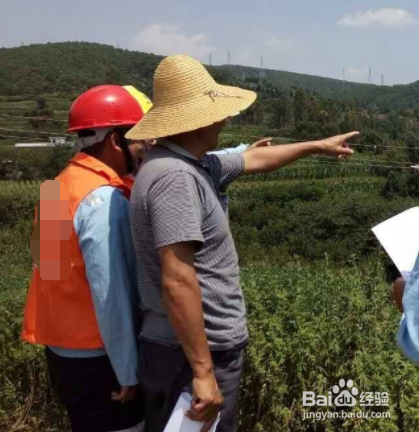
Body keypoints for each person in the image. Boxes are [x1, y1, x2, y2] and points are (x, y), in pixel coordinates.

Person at [126, 54, 358, 432]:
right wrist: (203, 372)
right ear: (200, 119)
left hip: (194, 351)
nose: (225, 119)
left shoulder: (194, 164)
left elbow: (255, 158)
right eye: (218, 112)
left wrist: (318, 145)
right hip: (191, 356)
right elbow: (177, 279)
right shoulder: (175, 178)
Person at [21, 85, 152, 432]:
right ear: (115, 140)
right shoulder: (105, 201)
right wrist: (127, 369)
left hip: (62, 353)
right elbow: (111, 295)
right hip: (101, 358)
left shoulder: (57, 186)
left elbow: (49, 271)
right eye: (140, 140)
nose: (144, 149)